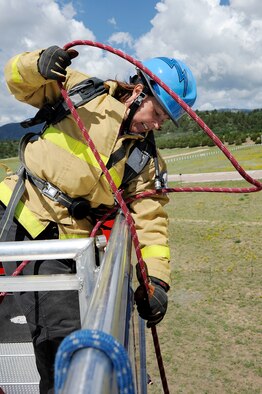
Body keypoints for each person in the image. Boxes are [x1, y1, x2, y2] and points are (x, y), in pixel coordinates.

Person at [0, 45, 197, 393]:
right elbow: (17, 81)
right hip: (13, 211)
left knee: (58, 336)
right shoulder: (81, 91)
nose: (158, 123)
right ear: (139, 90)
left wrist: (158, 282)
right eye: (159, 111)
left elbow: (150, 220)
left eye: (166, 119)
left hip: (61, 243)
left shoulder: (144, 160)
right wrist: (38, 63)